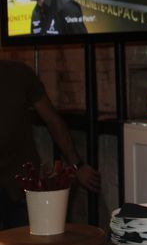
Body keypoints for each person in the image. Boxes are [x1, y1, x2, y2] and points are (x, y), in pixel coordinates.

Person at [0, 59, 101, 230]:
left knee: (32, 241)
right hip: (19, 184)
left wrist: (77, 165)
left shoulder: (17, 73)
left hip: (21, 183)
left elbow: (53, 121)